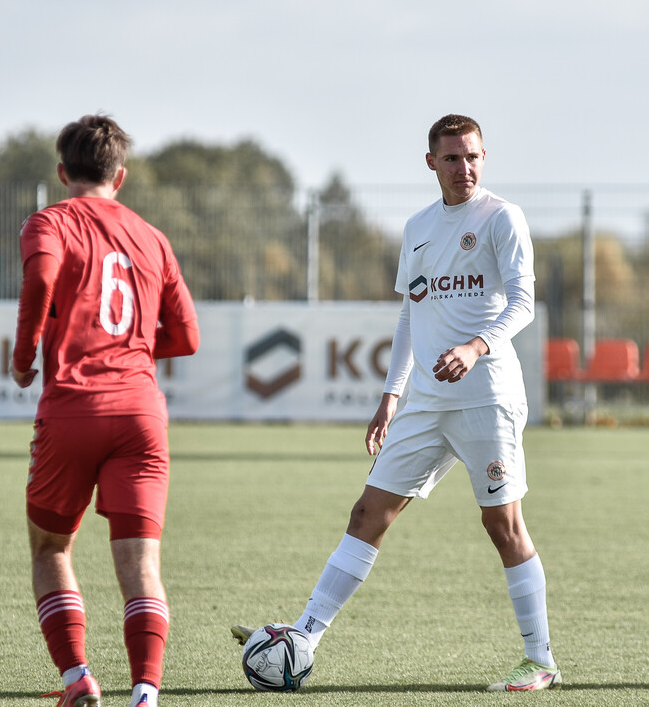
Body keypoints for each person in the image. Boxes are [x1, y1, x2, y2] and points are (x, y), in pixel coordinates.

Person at [234, 114, 560, 691]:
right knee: (368, 513)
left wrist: (475, 345)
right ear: (431, 162)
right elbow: (411, 313)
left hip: (487, 396)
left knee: (502, 524)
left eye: (474, 157)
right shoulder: (418, 228)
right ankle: (305, 636)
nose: (466, 168)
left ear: (485, 158)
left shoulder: (501, 217)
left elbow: (525, 305)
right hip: (424, 405)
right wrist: (391, 394)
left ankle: (540, 660)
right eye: (454, 158)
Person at [12, 114, 199, 707]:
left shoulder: (50, 221)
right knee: (142, 563)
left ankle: (77, 679)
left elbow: (41, 278)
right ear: (121, 176)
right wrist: (135, 349)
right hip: (142, 414)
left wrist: (24, 358)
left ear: (63, 172)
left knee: (51, 547)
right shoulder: (152, 236)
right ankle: (145, 691)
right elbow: (188, 335)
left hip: (72, 408)